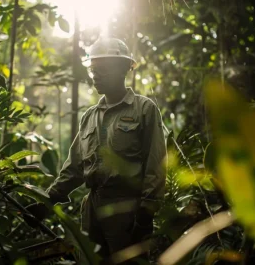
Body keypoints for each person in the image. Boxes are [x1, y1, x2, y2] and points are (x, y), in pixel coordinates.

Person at [46, 37, 166, 264]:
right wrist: (49, 199)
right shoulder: (90, 116)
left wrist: (146, 211)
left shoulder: (144, 110)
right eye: (93, 70)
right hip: (92, 209)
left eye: (102, 69)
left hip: (127, 210)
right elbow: (75, 167)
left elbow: (156, 163)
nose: (96, 75)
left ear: (122, 69)